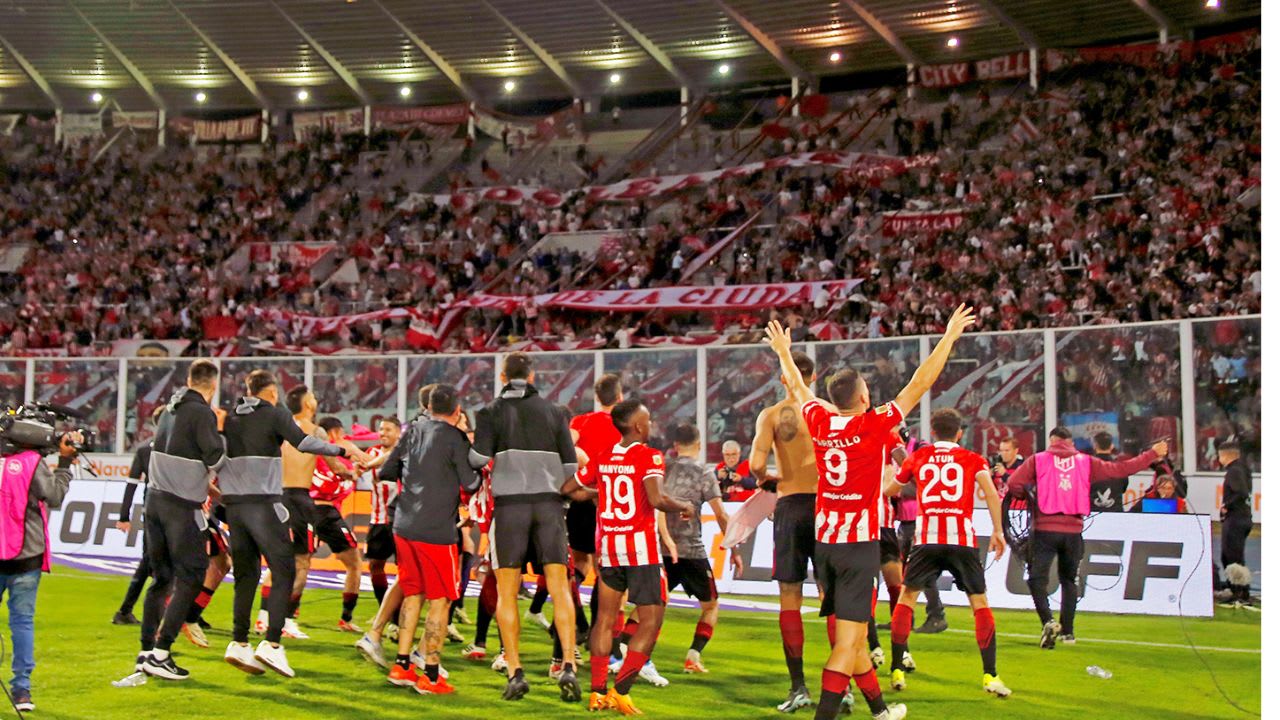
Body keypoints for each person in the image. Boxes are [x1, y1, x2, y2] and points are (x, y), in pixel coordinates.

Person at [764, 304, 976, 720]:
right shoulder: (874, 423)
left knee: (856, 637)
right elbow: (920, 382)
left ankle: (879, 710)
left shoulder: (820, 420)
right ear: (863, 397)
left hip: (825, 544)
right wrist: (949, 336)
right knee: (847, 643)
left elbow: (799, 389)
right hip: (859, 546)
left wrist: (783, 353)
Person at [562, 399, 696, 715]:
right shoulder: (649, 456)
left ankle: (596, 694)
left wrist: (601, 492)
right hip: (641, 552)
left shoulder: (604, 457)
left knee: (605, 620)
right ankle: (620, 691)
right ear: (637, 425)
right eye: (647, 420)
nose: (650, 425)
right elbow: (656, 498)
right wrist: (684, 506)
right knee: (651, 620)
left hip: (609, 551)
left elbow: (570, 488)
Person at [219, 373, 353, 678]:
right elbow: (304, 442)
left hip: (234, 508)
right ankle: (272, 644)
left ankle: (239, 642)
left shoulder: (230, 417)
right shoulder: (274, 413)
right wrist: (343, 450)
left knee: (246, 575)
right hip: (264, 503)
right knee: (285, 571)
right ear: (270, 392)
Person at [472, 352, 581, 702]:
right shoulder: (553, 412)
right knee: (560, 588)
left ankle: (515, 670)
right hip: (549, 507)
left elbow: (478, 461)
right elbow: (570, 466)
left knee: (507, 591)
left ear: (504, 376)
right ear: (532, 377)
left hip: (510, 510)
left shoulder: (489, 412)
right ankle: (567, 665)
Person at [884, 408, 1012, 698]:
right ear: (959, 433)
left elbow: (892, 489)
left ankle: (897, 669)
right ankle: (990, 676)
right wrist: (997, 530)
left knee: (907, 598)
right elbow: (991, 493)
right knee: (978, 602)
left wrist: (890, 473)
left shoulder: (918, 457)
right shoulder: (972, 459)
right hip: (961, 540)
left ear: (933, 431)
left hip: (926, 539)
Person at [1006, 427, 1166, 648]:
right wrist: (1152, 454)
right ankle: (1068, 633)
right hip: (1073, 531)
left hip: (1045, 529)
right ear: (1070, 441)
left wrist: (1031, 496)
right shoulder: (1086, 461)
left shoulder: (1038, 460)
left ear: (1052, 440)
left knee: (1036, 579)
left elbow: (1014, 483)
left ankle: (1048, 621)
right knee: (1069, 580)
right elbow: (1121, 470)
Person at [381, 384, 481, 696]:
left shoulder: (412, 431)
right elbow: (471, 482)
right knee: (441, 599)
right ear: (456, 410)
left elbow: (388, 470)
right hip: (437, 530)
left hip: (404, 524)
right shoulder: (455, 438)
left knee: (413, 593)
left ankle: (401, 666)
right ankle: (432, 675)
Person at [136, 359, 226, 681]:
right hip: (181, 507)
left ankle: (145, 651)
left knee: (161, 578)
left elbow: (179, 457)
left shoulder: (170, 408)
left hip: (155, 502)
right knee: (192, 574)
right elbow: (215, 456)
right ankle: (161, 654)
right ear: (212, 385)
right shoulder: (202, 412)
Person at [748, 350, 823, 712]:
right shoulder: (828, 411)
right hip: (827, 508)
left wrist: (770, 478)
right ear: (813, 377)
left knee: (790, 596)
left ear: (784, 379)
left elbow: (755, 464)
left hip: (791, 506)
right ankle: (845, 683)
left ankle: (798, 687)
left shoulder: (772, 415)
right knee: (834, 597)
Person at [0, 429, 76, 711]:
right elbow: (54, 496)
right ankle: (22, 691)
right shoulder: (32, 462)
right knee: (21, 622)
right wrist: (65, 465)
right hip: (26, 555)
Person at [657, 423, 736, 674]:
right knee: (711, 606)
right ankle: (693, 656)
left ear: (675, 446)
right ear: (699, 445)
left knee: (650, 606)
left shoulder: (663, 469)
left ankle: (623, 651)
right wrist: (733, 546)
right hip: (692, 551)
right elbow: (721, 514)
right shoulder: (704, 473)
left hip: (662, 549)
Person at [569, 374, 623, 626]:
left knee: (579, 562)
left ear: (597, 398)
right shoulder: (625, 425)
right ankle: (596, 629)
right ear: (620, 396)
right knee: (605, 569)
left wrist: (582, 472)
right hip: (609, 503)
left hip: (580, 500)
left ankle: (576, 612)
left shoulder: (581, 421)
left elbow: (565, 448)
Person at [311, 416, 366, 631]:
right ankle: (346, 618)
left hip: (305, 509)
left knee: (297, 561)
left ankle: (278, 616)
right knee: (355, 563)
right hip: (325, 512)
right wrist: (356, 468)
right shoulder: (334, 451)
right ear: (334, 433)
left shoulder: (312, 455)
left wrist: (353, 473)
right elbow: (344, 473)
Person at [893, 429, 947, 635]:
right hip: (905, 520)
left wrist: (895, 487)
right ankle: (904, 617)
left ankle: (936, 614)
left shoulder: (920, 448)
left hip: (919, 518)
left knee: (920, 569)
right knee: (905, 571)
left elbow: (923, 483)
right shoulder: (895, 450)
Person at [114, 407, 161, 626]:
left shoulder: (144, 450)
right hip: (165, 512)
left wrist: (124, 516)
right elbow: (132, 485)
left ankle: (126, 610)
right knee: (152, 562)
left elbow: (131, 485)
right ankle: (125, 610)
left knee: (150, 561)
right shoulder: (171, 449)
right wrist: (123, 516)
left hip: (150, 510)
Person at [1217, 440, 1253, 605]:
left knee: (1231, 556)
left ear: (1225, 455)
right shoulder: (1244, 469)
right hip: (1244, 517)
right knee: (1237, 555)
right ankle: (1242, 589)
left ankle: (1237, 591)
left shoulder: (1234, 471)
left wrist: (1226, 506)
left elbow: (1241, 492)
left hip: (1236, 518)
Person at [1089, 432, 1128, 512]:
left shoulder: (1087, 466)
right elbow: (1123, 488)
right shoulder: (1120, 467)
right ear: (1111, 446)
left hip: (1092, 514)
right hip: (1116, 514)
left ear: (1095, 445)